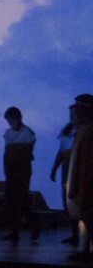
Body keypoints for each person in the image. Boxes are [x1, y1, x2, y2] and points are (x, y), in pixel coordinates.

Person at [1, 106, 37, 242]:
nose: (10, 124)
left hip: (22, 171)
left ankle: (34, 226)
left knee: (22, 200)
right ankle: (13, 231)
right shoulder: (8, 133)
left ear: (18, 119)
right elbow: (6, 152)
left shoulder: (28, 133)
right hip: (10, 171)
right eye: (8, 121)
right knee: (10, 201)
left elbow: (27, 153)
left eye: (12, 121)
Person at [65, 94, 93, 261]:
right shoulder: (82, 130)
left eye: (78, 109)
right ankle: (84, 250)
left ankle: (86, 251)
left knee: (88, 217)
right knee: (84, 217)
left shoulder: (90, 130)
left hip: (87, 182)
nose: (74, 112)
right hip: (81, 181)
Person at [49, 105, 79, 245]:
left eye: (74, 113)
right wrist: (54, 168)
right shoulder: (66, 131)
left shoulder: (85, 131)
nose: (71, 116)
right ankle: (74, 234)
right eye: (70, 113)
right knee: (67, 203)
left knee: (78, 202)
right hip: (66, 171)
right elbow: (61, 151)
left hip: (79, 171)